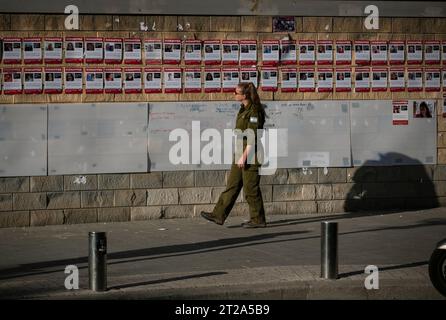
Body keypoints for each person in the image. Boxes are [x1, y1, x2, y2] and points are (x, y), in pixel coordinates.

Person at [201, 82, 267, 228]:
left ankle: (258, 219)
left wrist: (244, 156)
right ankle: (218, 215)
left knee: (250, 188)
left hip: (251, 153)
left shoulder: (254, 111)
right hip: (240, 150)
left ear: (245, 95)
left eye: (236, 92)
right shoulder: (243, 109)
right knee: (232, 185)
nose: (234, 94)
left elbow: (252, 136)